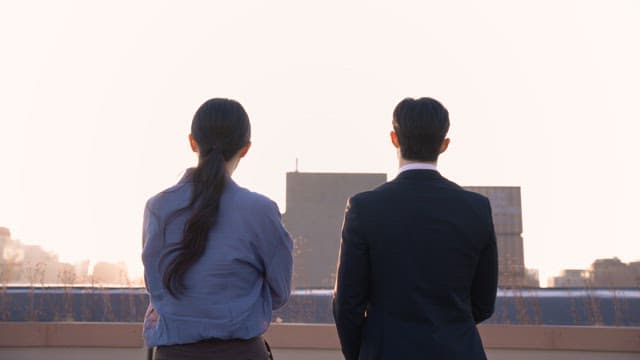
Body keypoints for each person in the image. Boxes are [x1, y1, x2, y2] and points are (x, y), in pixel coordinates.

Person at [332, 97, 498, 359]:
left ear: (394, 138)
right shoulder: (476, 209)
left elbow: (347, 306)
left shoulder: (365, 208)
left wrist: (363, 352)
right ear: (444, 145)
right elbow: (483, 304)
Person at [142, 98, 293, 360]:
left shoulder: (158, 208)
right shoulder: (260, 211)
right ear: (245, 149)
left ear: (192, 142)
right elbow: (279, 292)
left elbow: (156, 285)